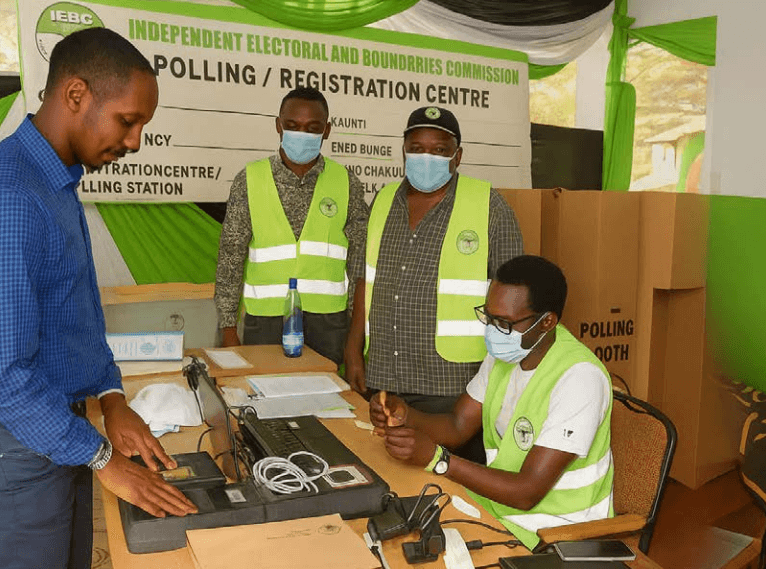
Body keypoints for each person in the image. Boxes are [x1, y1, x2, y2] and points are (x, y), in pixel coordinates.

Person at [0, 28, 196, 569]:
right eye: (128, 121)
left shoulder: (53, 182)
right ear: (76, 94)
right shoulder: (6, 198)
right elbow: (0, 373)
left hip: (55, 427)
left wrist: (112, 399)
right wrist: (102, 457)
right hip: (10, 438)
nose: (135, 142)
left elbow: (76, 314)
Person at [370, 255, 614, 548]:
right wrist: (405, 414)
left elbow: (527, 492)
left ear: (547, 322)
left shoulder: (580, 378)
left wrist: (438, 460)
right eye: (489, 317)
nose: (494, 330)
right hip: (498, 510)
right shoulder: (507, 353)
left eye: (505, 322)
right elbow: (458, 425)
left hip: (556, 533)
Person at [345, 105, 523, 462]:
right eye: (417, 148)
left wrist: (503, 373)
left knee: (446, 476)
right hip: (384, 375)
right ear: (404, 151)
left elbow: (516, 297)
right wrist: (353, 349)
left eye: (439, 150)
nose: (427, 158)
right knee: (385, 468)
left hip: (453, 384)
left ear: (458, 156)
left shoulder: (489, 205)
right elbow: (366, 276)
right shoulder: (383, 201)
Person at [214, 87, 369, 364]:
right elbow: (230, 258)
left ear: (327, 130)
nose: (302, 134)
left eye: (313, 128)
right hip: (265, 323)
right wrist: (228, 328)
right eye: (293, 126)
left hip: (329, 325)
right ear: (278, 125)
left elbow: (360, 262)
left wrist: (353, 331)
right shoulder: (249, 180)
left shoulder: (347, 183)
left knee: (325, 391)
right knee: (265, 389)